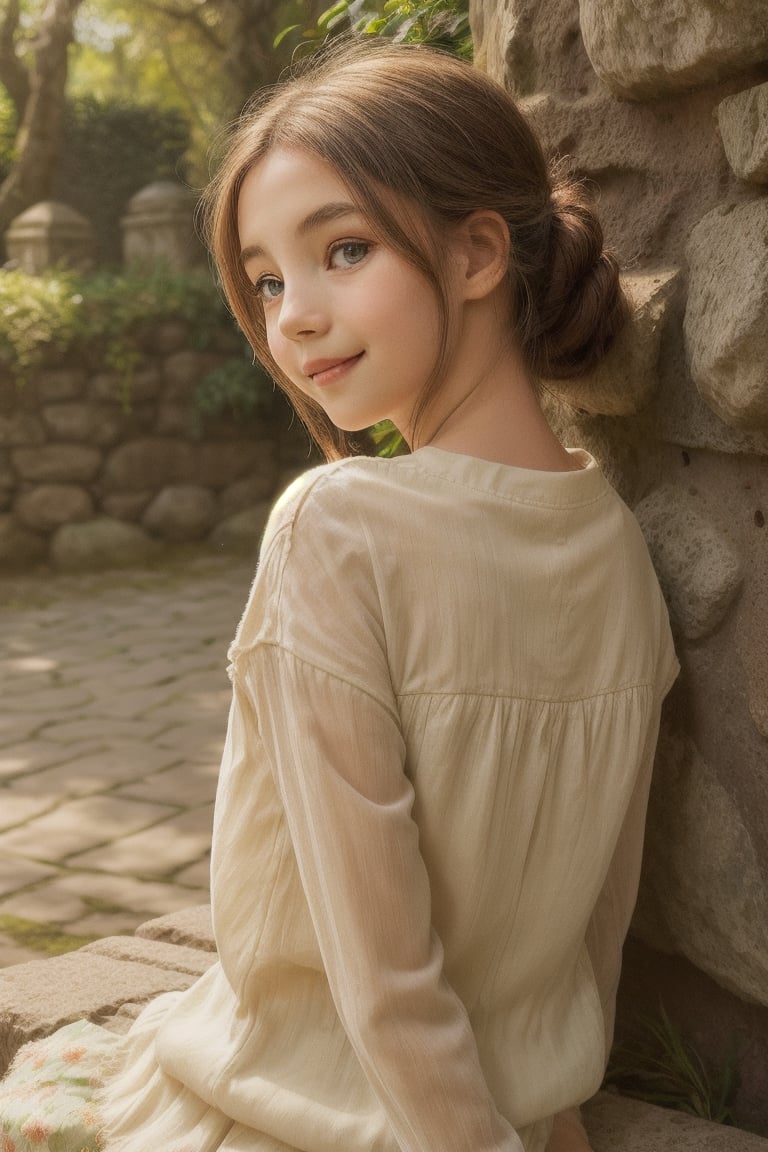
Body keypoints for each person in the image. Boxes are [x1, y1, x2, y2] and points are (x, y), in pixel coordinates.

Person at [0, 38, 678, 1152]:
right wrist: (542, 1113)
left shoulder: (338, 525)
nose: (293, 317)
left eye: (344, 250)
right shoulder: (616, 546)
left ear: (476, 253)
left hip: (307, 1111)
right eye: (266, 281)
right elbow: (591, 938)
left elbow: (381, 964)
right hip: (518, 1106)